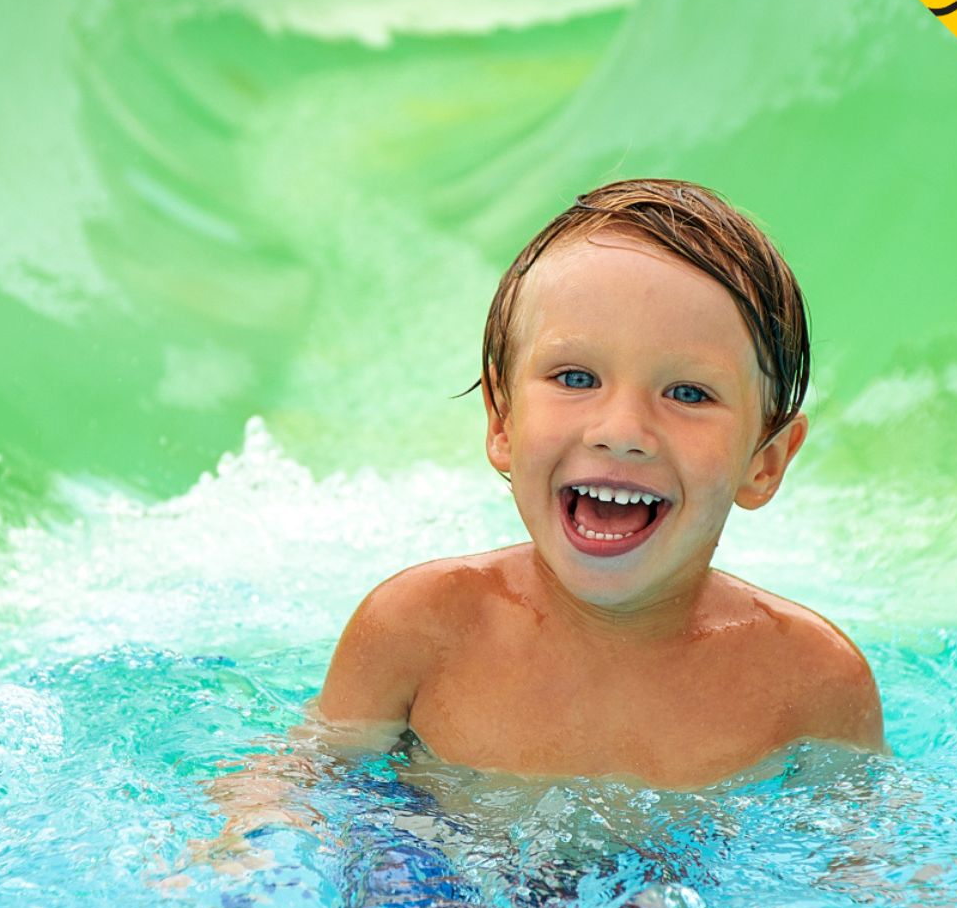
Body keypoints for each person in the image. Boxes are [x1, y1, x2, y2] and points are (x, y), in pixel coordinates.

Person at [314, 177, 886, 787]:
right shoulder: (418, 627)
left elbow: (866, 866)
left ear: (765, 462)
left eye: (688, 393)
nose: (621, 430)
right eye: (576, 378)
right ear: (502, 420)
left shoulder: (813, 683)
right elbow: (293, 791)